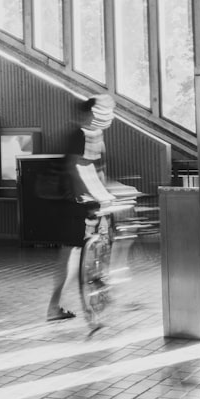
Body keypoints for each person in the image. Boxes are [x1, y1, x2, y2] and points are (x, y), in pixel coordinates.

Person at [48, 94, 116, 321]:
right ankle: (68, 306)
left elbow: (93, 171)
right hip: (76, 204)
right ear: (90, 114)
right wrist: (96, 195)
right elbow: (79, 169)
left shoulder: (88, 135)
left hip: (80, 203)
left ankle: (66, 305)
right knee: (72, 256)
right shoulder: (81, 135)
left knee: (77, 254)